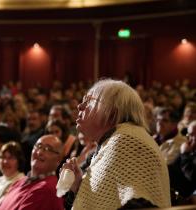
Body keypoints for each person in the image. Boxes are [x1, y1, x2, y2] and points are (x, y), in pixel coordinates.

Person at [62, 79, 171, 210]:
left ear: (112, 111)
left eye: (89, 101)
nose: (80, 106)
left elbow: (140, 205)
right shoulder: (112, 142)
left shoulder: (129, 141)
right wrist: (79, 186)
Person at [0, 135, 64, 210]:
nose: (39, 152)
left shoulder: (48, 190)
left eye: (48, 149)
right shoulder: (19, 181)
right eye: (38, 146)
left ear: (58, 159)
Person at [168, 120, 196, 203]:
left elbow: (192, 176)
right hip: (175, 192)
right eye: (189, 135)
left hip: (186, 197)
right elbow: (173, 168)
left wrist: (185, 154)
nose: (189, 139)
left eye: (192, 135)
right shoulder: (191, 149)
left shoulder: (188, 152)